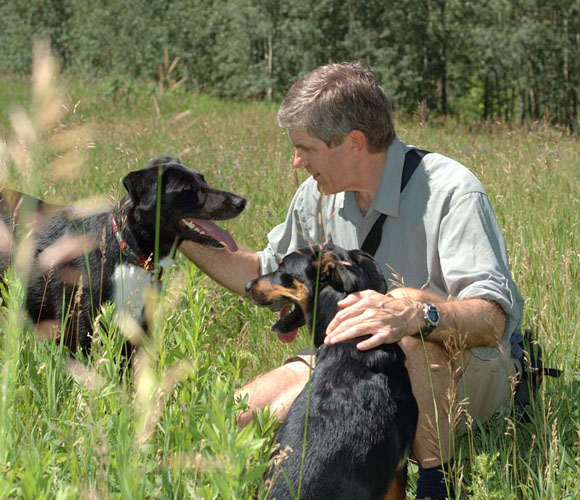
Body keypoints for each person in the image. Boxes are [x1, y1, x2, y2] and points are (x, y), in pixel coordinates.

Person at [180, 61, 524, 500]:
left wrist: (414, 312)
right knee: (242, 417)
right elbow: (264, 271)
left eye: (306, 148)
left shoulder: (452, 191)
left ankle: (438, 485)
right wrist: (177, 235)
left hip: (461, 370)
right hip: (353, 367)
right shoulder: (317, 193)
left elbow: (492, 318)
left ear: (353, 143)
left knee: (411, 331)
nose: (296, 160)